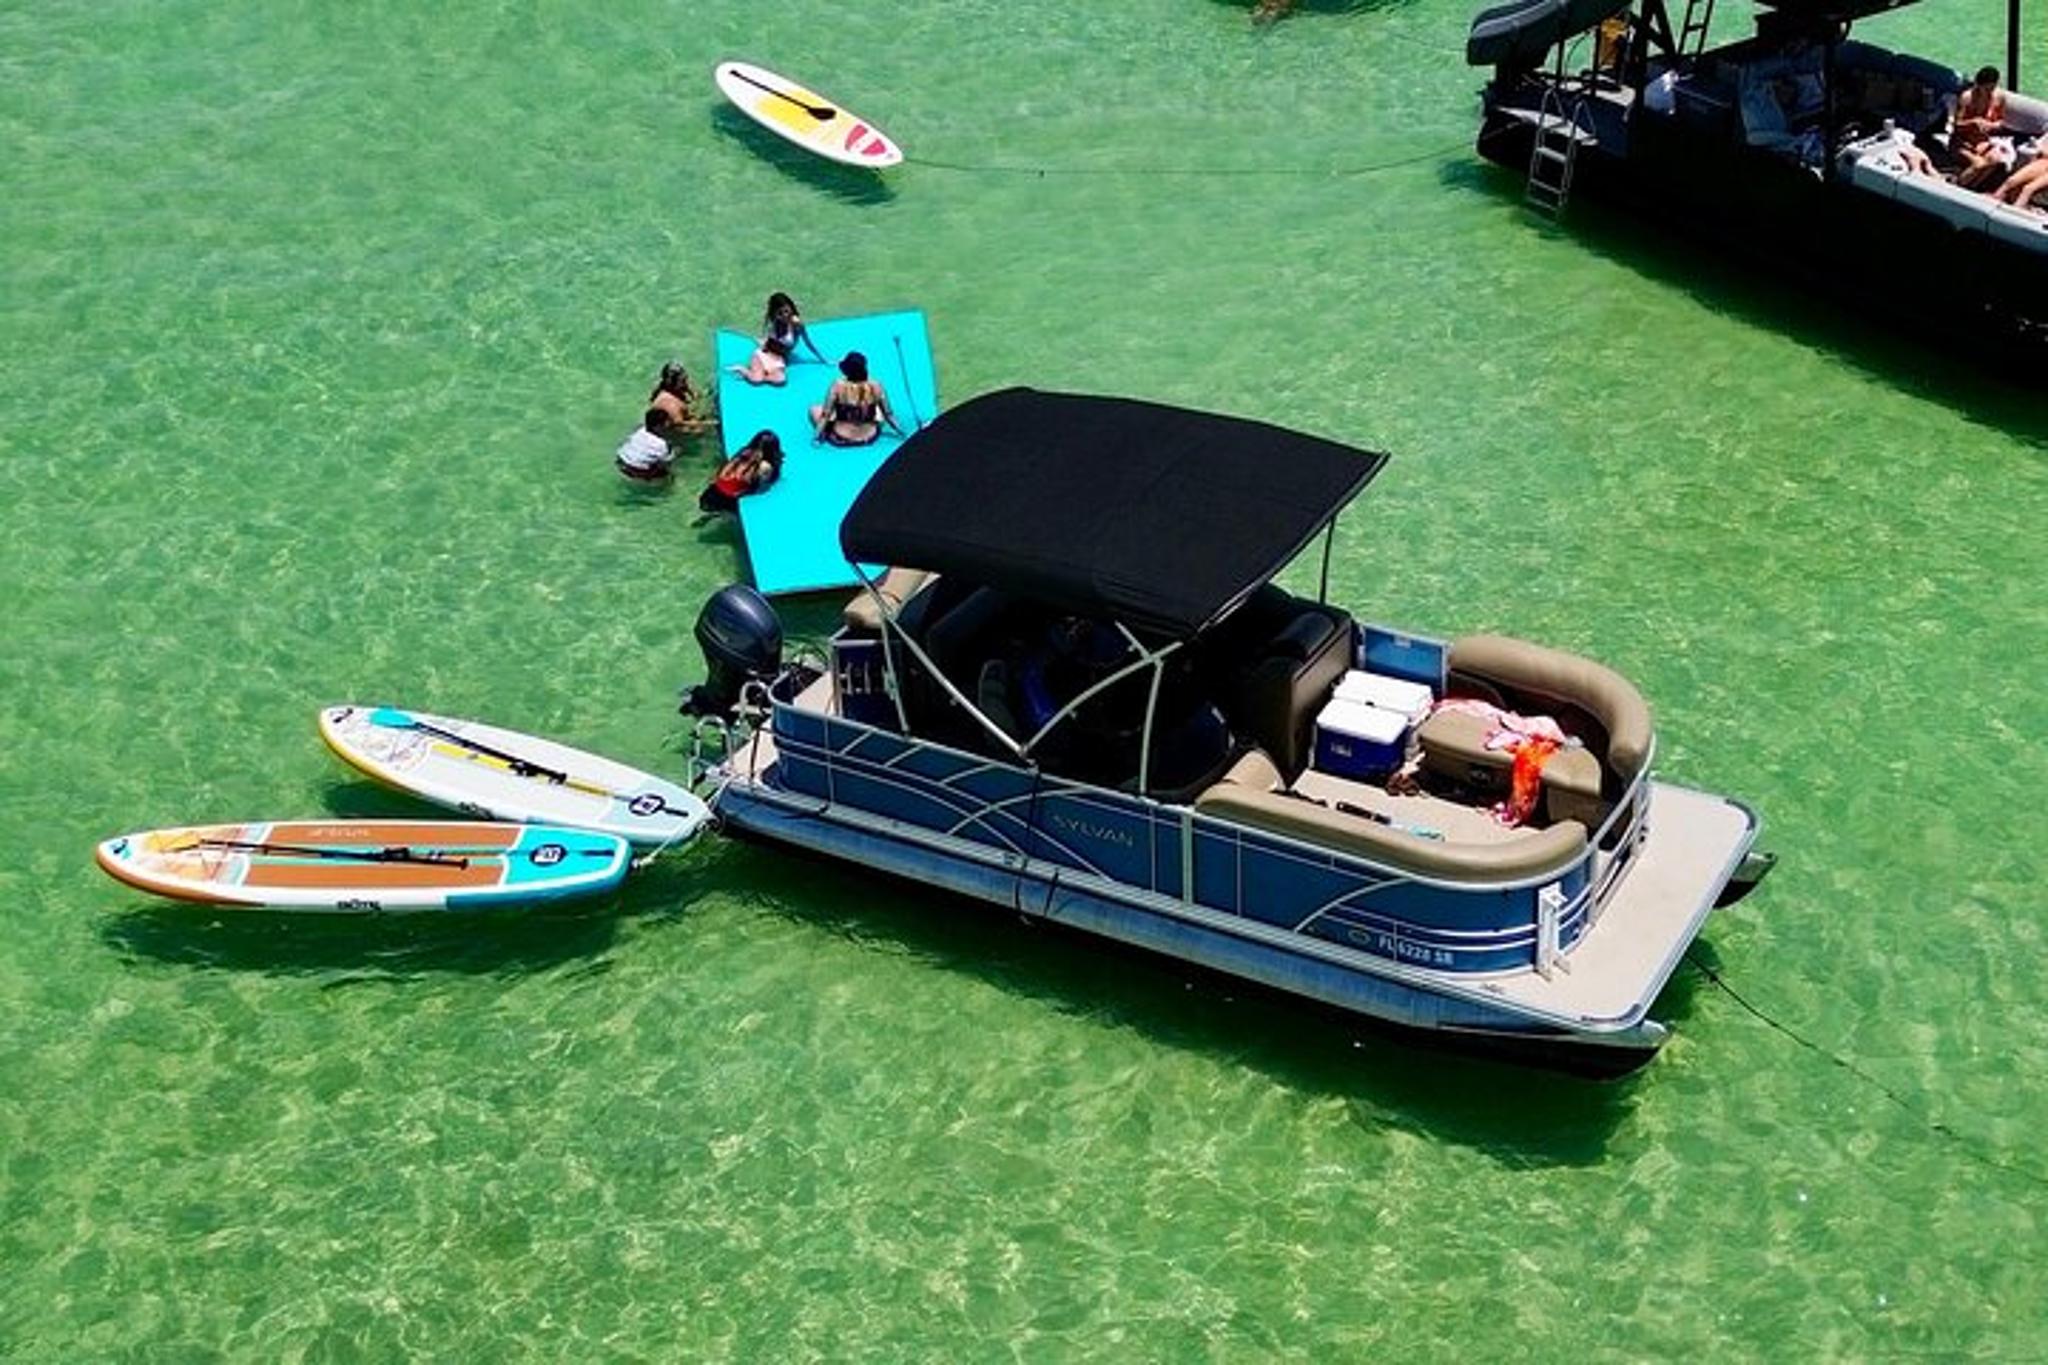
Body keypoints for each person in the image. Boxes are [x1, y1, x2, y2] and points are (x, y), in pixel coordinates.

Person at [728, 292, 825, 386]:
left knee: (780, 380)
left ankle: (759, 374)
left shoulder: (797, 325)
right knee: (756, 380)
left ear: (791, 308)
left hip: (779, 359)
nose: (784, 316)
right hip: (764, 354)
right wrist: (763, 342)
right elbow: (770, 341)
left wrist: (822, 359)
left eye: (786, 311)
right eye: (780, 313)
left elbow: (808, 343)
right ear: (775, 313)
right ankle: (743, 370)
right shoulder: (775, 322)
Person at [809, 351, 902, 447]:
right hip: (870, 435)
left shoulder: (837, 386)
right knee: (879, 411)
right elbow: (889, 415)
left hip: (843, 436)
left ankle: (825, 434)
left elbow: (825, 415)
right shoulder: (876, 385)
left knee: (814, 409)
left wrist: (816, 438)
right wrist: (901, 431)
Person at [1952, 66, 2012, 191]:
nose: (1989, 91)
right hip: (1962, 142)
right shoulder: (1967, 98)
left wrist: (1992, 125)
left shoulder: (1999, 97)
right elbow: (1957, 125)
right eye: (1986, 88)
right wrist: (1973, 122)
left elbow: (2001, 122)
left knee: (1996, 159)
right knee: (1979, 164)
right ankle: (1957, 186)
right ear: (1978, 85)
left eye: (1992, 88)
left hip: (1982, 141)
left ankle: (1973, 187)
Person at [698, 430, 781, 514]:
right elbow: (762, 487)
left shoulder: (744, 451)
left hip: (717, 486)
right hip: (729, 495)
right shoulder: (765, 466)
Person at [616, 407, 679, 482]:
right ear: (658, 426)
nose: (669, 424)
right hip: (636, 470)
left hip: (621, 462)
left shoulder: (639, 430)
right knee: (667, 471)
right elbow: (665, 463)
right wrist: (674, 453)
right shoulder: (661, 444)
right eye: (666, 422)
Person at [648, 362, 713, 433]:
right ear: (672, 384)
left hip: (678, 417)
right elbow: (683, 429)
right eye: (683, 381)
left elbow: (696, 395)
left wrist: (696, 399)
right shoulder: (671, 405)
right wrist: (709, 424)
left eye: (685, 378)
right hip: (673, 428)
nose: (686, 382)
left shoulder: (669, 386)